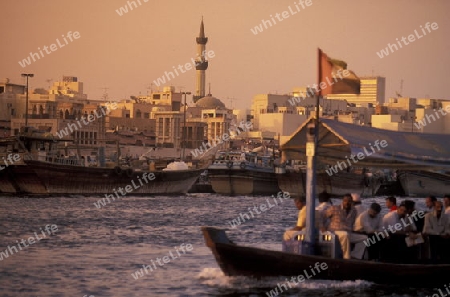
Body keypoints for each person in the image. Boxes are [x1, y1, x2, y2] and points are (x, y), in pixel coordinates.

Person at [322, 193, 367, 259]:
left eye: (349, 201)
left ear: (352, 202)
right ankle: (346, 257)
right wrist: (322, 227)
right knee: (345, 234)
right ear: (342, 201)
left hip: (348, 233)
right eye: (345, 201)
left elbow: (352, 223)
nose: (347, 203)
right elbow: (321, 217)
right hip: (335, 232)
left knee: (365, 238)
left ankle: (355, 256)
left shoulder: (354, 211)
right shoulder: (334, 208)